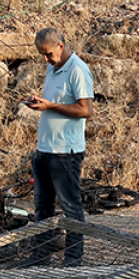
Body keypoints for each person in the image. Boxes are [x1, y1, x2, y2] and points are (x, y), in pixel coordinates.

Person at [23, 28, 94, 266]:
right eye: (42, 55)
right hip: (44, 149)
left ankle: (73, 261)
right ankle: (40, 258)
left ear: (61, 46)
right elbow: (54, 104)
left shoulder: (78, 70)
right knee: (42, 209)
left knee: (71, 209)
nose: (45, 59)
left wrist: (51, 106)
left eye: (48, 53)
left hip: (66, 152)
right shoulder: (52, 68)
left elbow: (86, 111)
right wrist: (41, 104)